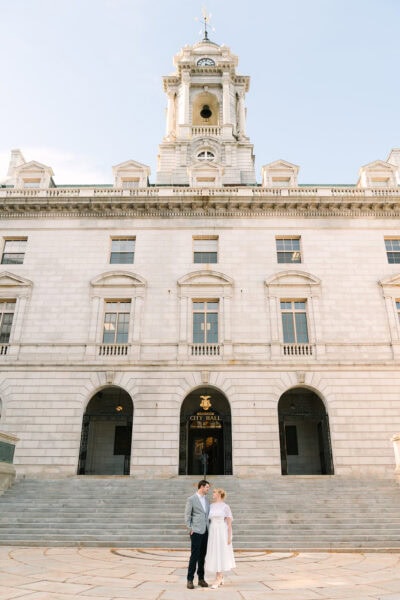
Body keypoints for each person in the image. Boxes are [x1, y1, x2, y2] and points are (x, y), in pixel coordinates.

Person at [204, 487, 236, 588]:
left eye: (214, 492)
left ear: (219, 494)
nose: (213, 494)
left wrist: (229, 537)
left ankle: (218, 578)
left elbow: (229, 524)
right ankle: (220, 577)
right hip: (213, 531)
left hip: (222, 532)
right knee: (215, 552)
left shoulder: (226, 507)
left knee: (220, 552)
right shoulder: (211, 506)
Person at [184, 479, 210, 589]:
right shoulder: (191, 499)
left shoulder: (207, 500)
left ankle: (201, 579)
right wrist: (190, 528)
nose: (208, 489)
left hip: (205, 531)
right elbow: (187, 515)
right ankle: (190, 580)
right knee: (194, 555)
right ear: (201, 487)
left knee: (202, 556)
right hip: (196, 531)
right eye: (207, 487)